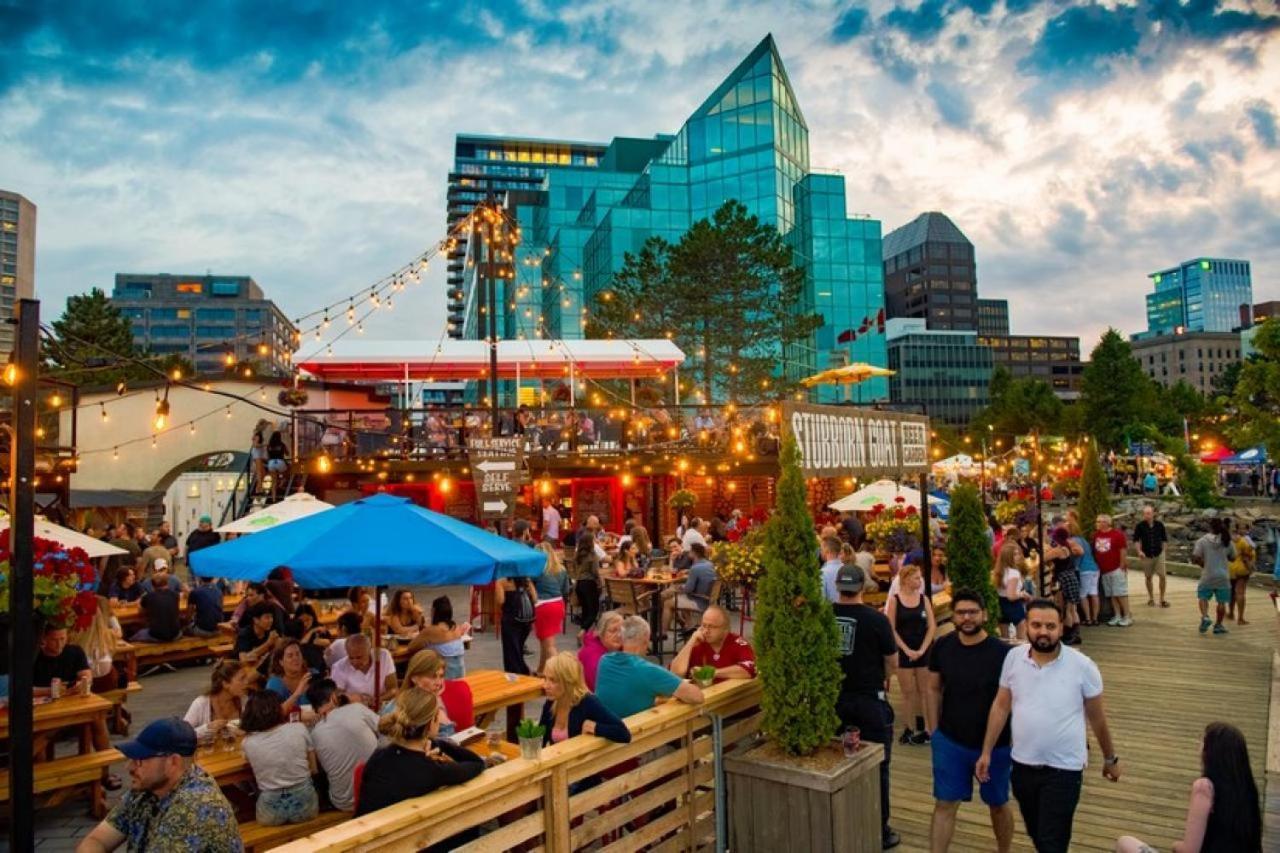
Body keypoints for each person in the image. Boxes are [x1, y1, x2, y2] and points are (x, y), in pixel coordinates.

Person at [977, 599, 1120, 853]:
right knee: (1037, 833)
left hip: (1064, 768)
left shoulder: (1083, 667)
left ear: (1061, 628)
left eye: (1050, 626)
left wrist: (1110, 758)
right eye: (1036, 625)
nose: (1043, 631)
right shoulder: (1013, 658)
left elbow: (1097, 717)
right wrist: (986, 751)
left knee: (1052, 840)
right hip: (1022, 764)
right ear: (1027, 626)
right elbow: (1001, 706)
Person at [925, 589, 1014, 853]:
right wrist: (933, 730)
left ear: (984, 615)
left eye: (973, 612)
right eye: (961, 612)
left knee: (998, 804)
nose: (967, 618)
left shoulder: (1003, 654)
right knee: (944, 804)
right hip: (951, 741)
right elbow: (932, 688)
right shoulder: (943, 646)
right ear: (953, 615)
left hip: (996, 745)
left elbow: (1014, 699)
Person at [74, 718, 240, 853]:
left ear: (173, 762)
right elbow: (96, 841)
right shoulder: (145, 789)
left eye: (140, 760)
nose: (129, 767)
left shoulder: (196, 804)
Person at [831, 563, 900, 850]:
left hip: (834, 699)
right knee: (879, 764)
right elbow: (892, 663)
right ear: (862, 587)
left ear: (838, 587)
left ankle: (839, 820)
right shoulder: (877, 620)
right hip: (870, 699)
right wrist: (880, 677)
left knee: (835, 760)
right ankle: (879, 828)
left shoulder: (825, 616)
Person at [1115, 721, 1261, 853]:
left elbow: (1189, 851)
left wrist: (1176, 845)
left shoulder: (1204, 788)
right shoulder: (1247, 789)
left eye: (1203, 741)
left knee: (1124, 842)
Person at [356, 688, 485, 821]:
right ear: (431, 724)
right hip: (393, 837)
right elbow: (477, 762)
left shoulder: (379, 755)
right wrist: (437, 742)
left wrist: (429, 741)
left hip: (362, 830)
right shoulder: (432, 770)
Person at [595, 616, 704, 719]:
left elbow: (626, 692)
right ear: (646, 641)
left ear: (622, 639)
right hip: (634, 734)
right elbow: (697, 697)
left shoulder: (605, 661)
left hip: (604, 727)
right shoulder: (648, 670)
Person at [240, 689, 319, 826]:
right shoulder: (298, 728)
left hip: (270, 812)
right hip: (306, 807)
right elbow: (314, 769)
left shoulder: (248, 743)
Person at [305, 678, 379, 813]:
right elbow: (386, 729)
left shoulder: (314, 733)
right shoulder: (357, 709)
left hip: (344, 802)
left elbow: (317, 769)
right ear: (334, 697)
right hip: (377, 793)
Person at [886, 565, 937, 745]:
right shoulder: (895, 600)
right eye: (916, 578)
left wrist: (922, 649)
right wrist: (906, 650)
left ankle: (928, 729)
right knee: (907, 693)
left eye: (920, 577)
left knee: (925, 691)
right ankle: (909, 727)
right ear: (906, 579)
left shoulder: (924, 599)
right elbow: (891, 628)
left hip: (923, 651)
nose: (920, 580)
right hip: (904, 651)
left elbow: (932, 626)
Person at [538, 651, 631, 746]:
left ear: (568, 681)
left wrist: (596, 728)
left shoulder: (587, 702)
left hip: (580, 759)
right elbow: (539, 738)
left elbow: (624, 734)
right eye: (545, 678)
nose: (545, 686)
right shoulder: (551, 702)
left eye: (553, 680)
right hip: (557, 758)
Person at [669, 604, 756, 682]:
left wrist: (711, 672)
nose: (706, 631)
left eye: (712, 627)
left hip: (730, 696)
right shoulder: (697, 643)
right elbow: (674, 674)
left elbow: (749, 670)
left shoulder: (738, 643)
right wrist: (690, 642)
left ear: (725, 629)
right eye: (704, 625)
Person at [399, 649, 474, 734]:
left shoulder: (436, 701)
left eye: (441, 676)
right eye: (432, 677)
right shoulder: (401, 707)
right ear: (414, 678)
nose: (439, 683)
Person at [183, 660, 256, 738]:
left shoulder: (244, 700)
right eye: (242, 679)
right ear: (225, 684)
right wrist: (207, 728)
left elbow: (257, 727)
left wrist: (247, 731)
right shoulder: (201, 703)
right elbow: (182, 734)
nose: (247, 682)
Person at [406, 595, 469, 679]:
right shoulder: (455, 627)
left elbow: (411, 647)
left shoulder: (431, 631)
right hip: (460, 673)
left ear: (434, 611)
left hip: (444, 676)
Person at [660, 541, 716, 635]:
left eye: (690, 551)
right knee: (678, 596)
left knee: (667, 603)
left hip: (699, 601)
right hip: (708, 598)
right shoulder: (709, 564)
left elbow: (688, 589)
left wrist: (680, 587)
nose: (689, 553)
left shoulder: (695, 568)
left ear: (694, 553)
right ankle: (688, 625)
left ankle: (663, 633)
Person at [1193, 517, 1237, 635]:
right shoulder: (1227, 541)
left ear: (1210, 527)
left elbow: (1196, 557)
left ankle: (1205, 616)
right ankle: (1218, 625)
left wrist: (1203, 564)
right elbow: (1233, 558)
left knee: (1203, 596)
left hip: (1208, 574)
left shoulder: (1202, 541)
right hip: (1223, 576)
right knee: (1221, 601)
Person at [533, 542, 571, 675]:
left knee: (549, 645)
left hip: (543, 606)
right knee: (545, 641)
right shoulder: (561, 569)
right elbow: (566, 590)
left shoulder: (536, 570)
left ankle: (560, 674)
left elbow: (530, 589)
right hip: (558, 604)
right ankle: (541, 670)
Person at [330, 633, 397, 707]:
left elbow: (393, 689)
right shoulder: (339, 667)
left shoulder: (383, 656)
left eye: (359, 657)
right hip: (354, 710)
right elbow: (337, 697)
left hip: (382, 706)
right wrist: (358, 700)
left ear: (369, 651)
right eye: (351, 657)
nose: (355, 662)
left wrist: (375, 701)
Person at [33, 623, 93, 698]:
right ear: (43, 639)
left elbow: (86, 675)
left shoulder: (75, 651)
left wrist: (81, 684)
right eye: (54, 640)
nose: (59, 644)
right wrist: (51, 690)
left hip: (72, 700)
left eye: (62, 639)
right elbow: (22, 689)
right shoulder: (33, 656)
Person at [1092, 514, 1131, 627]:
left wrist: (1122, 564)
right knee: (1112, 594)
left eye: (1099, 522)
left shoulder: (1117, 535)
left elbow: (1123, 550)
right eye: (1097, 521)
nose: (1097, 524)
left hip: (1116, 568)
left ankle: (1127, 616)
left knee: (1121, 593)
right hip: (1104, 570)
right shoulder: (1096, 535)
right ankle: (1117, 615)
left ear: (1106, 523)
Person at [496, 571, 537, 675]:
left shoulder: (502, 581)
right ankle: (524, 671)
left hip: (510, 619)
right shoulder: (526, 579)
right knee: (518, 648)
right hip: (526, 621)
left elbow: (500, 600)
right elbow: (535, 598)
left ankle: (516, 676)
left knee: (511, 651)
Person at [264, 640, 315, 715]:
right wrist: (297, 693)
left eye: (298, 654)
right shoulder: (274, 684)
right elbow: (274, 715)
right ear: (281, 662)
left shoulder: (314, 674)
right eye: (290, 656)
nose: (296, 658)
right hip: (288, 725)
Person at [1133, 505, 1169, 609]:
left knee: (1162, 576)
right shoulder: (1140, 526)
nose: (1146, 515)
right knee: (1148, 577)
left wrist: (1164, 551)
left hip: (1159, 553)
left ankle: (1162, 599)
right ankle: (1151, 598)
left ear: (1153, 514)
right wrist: (1139, 551)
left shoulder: (1159, 525)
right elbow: (1136, 540)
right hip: (1146, 554)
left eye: (1148, 513)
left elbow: (1164, 540)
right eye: (1144, 513)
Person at [1068, 515, 1101, 626]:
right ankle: (1095, 618)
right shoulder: (1084, 540)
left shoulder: (1072, 541)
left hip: (1084, 569)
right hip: (1094, 568)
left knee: (1083, 595)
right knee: (1094, 593)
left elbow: (1076, 556)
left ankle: (1088, 618)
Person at [579, 610, 624, 690]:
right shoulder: (594, 658)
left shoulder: (621, 650)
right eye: (613, 631)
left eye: (621, 631)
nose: (618, 635)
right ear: (601, 633)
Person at [132, 572, 183, 643]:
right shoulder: (175, 595)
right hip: (176, 634)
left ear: (152, 585)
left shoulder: (148, 596)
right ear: (167, 582)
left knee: (135, 635)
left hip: (156, 635)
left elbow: (141, 612)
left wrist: (139, 605)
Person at [994, 544, 1029, 642]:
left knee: (1005, 638)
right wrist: (1022, 594)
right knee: (1022, 639)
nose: (1018, 556)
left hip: (1001, 604)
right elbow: (1011, 596)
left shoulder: (999, 571)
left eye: (1018, 554)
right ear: (1009, 557)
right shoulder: (1014, 573)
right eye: (1015, 554)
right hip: (1014, 605)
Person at [571, 530, 602, 635]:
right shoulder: (592, 556)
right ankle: (583, 631)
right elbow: (595, 572)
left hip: (579, 584)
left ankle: (583, 633)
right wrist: (599, 581)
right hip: (589, 584)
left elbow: (574, 570)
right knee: (593, 611)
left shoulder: (577, 556)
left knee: (585, 610)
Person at [286, 602, 332, 671]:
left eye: (308, 620)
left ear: (313, 618)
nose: (305, 624)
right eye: (302, 621)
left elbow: (328, 642)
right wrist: (312, 631)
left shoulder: (320, 628)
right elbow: (300, 644)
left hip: (318, 665)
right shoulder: (293, 629)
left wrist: (326, 645)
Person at [236, 601, 281, 667]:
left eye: (272, 617)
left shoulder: (270, 632)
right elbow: (243, 659)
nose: (271, 620)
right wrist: (268, 643)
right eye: (267, 617)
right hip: (241, 670)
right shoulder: (244, 634)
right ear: (256, 620)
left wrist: (278, 642)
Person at [1228, 522, 1257, 625]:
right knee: (1240, 593)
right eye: (1242, 528)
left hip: (1230, 568)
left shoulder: (1230, 540)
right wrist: (1251, 568)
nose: (1244, 531)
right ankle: (1240, 618)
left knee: (1231, 592)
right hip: (1241, 568)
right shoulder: (1245, 541)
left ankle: (1230, 613)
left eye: (1245, 529)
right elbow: (1247, 556)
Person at [819, 534, 844, 602]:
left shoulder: (823, 573)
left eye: (821, 549)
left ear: (826, 550)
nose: (820, 552)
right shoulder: (847, 570)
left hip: (831, 611)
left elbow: (821, 600)